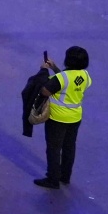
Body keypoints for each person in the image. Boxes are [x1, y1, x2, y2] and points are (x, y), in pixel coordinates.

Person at [35, 46, 92, 189]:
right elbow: (69, 81)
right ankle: (65, 176)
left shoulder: (61, 78)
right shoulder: (84, 76)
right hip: (75, 117)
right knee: (69, 147)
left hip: (57, 118)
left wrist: (43, 70)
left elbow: (45, 91)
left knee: (54, 149)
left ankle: (52, 179)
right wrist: (54, 67)